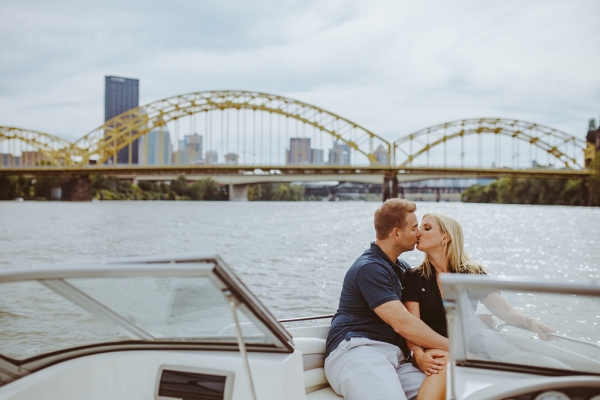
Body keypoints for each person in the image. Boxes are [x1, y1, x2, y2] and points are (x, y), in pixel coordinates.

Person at [402, 213, 555, 400]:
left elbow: (505, 311)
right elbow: (412, 324)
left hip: (469, 347)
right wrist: (417, 354)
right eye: (419, 228)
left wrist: (530, 322)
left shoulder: (472, 274)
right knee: (442, 362)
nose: (418, 233)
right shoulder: (414, 277)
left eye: (426, 228)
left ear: (446, 237)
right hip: (433, 348)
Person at [324, 199, 449, 400]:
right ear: (396, 233)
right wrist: (456, 347)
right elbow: (403, 323)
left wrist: (419, 353)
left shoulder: (402, 268)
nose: (418, 233)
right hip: (359, 350)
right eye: (414, 228)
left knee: (445, 392)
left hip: (395, 357)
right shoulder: (370, 268)